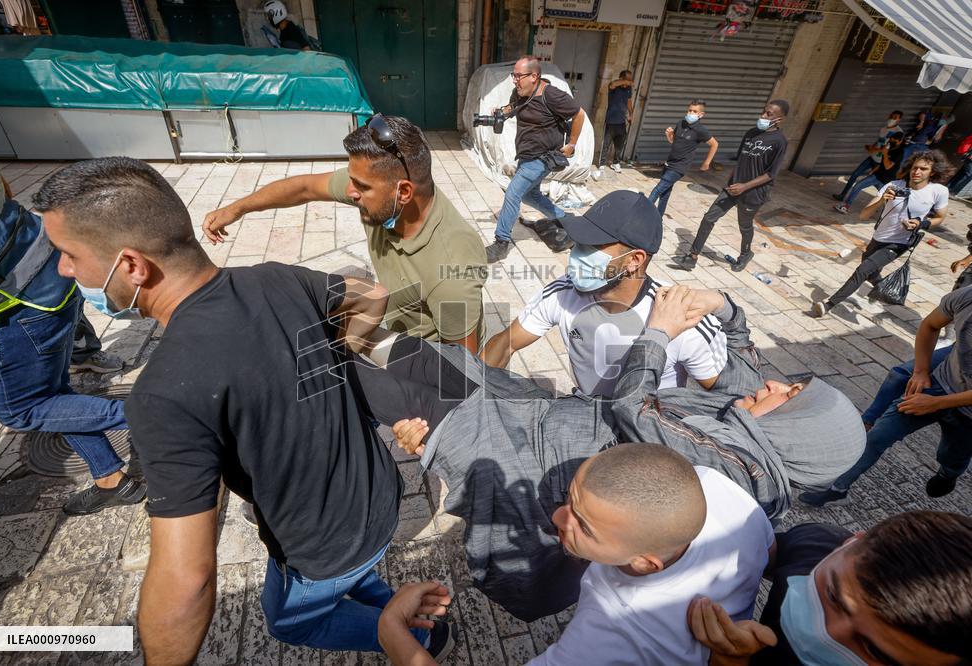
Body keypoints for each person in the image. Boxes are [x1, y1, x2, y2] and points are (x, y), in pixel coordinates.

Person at [34, 157, 455, 661]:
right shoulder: (275, 279)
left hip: (322, 545)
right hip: (380, 494)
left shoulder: (162, 394)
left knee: (289, 619)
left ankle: (417, 637)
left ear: (131, 265)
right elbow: (371, 293)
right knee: (352, 579)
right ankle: (391, 609)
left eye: (69, 254)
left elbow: (187, 580)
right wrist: (338, 361)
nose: (63, 269)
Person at [360, 286, 864, 621]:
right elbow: (744, 350)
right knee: (422, 359)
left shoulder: (738, 472)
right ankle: (345, 336)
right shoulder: (746, 419)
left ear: (798, 435)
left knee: (398, 394)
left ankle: (326, 354)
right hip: (529, 412)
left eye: (790, 396)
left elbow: (634, 408)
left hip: (515, 450)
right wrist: (724, 305)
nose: (774, 384)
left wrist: (658, 333)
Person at [203, 114, 486, 353]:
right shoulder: (383, 192)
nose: (350, 192)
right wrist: (236, 209)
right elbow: (304, 188)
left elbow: (464, 369)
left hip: (425, 356)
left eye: (361, 187)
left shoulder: (451, 270)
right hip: (397, 321)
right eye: (352, 180)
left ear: (403, 193)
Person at [0, 126, 142, 515]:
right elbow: (2, 186)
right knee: (54, 393)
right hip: (46, 265)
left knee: (23, 408)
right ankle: (111, 479)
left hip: (8, 307)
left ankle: (166, 415)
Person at [529, 444, 773, 665]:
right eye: (569, 497)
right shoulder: (714, 484)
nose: (557, 517)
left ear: (645, 563)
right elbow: (770, 552)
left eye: (583, 527)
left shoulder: (612, 629)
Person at [482, 190, 728, 395]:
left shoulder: (683, 317)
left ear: (634, 260)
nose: (576, 254)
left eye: (593, 245)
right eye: (579, 242)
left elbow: (726, 394)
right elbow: (505, 344)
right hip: (585, 415)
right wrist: (471, 393)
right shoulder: (563, 292)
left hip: (648, 432)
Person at [688, 510, 972, 666]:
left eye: (874, 650)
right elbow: (760, 555)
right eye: (834, 596)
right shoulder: (815, 544)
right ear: (850, 542)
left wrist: (730, 660)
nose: (825, 633)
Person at [801, 286, 972, 506]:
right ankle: (838, 488)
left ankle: (948, 474)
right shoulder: (966, 296)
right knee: (878, 435)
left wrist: (937, 403)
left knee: (951, 456)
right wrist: (921, 371)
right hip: (940, 381)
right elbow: (930, 325)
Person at [812, 150, 952, 317]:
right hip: (878, 238)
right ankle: (886, 290)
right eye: (915, 167)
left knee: (862, 270)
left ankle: (829, 304)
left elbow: (940, 217)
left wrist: (922, 223)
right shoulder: (893, 185)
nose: (917, 172)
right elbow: (864, 215)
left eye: (923, 169)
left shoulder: (938, 191)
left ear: (932, 172)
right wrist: (881, 200)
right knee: (871, 273)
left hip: (899, 243)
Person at [485, 55, 587, 263]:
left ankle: (501, 242)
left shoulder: (552, 95)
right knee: (530, 196)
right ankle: (565, 218)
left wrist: (572, 144)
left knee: (513, 193)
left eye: (518, 76)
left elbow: (579, 114)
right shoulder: (520, 92)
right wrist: (501, 112)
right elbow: (513, 107)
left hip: (542, 158)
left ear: (534, 76)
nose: (515, 80)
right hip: (526, 155)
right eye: (513, 75)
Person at [674, 100, 789, 273]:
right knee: (709, 218)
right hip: (732, 187)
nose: (763, 116)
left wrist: (745, 186)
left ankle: (745, 254)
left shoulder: (780, 141)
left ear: (779, 119)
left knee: (744, 225)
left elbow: (771, 174)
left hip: (753, 193)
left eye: (769, 114)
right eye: (763, 111)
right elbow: (741, 159)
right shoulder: (751, 133)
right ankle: (692, 256)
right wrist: (733, 180)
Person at [647, 99, 719, 216]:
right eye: (689, 110)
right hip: (669, 163)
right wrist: (669, 135)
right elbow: (674, 141)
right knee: (665, 193)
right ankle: (658, 218)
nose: (691, 113)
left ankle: (641, 213)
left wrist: (707, 163)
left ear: (701, 115)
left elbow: (714, 144)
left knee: (657, 190)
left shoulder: (701, 130)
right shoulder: (681, 123)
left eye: (694, 111)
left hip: (680, 167)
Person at [833, 110, 903, 202]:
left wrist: (875, 149)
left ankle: (890, 200)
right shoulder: (884, 128)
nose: (892, 119)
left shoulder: (898, 133)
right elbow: (879, 141)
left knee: (877, 183)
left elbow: (888, 149)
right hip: (872, 158)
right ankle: (842, 195)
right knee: (855, 174)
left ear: (899, 120)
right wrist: (872, 147)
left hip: (880, 162)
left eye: (895, 117)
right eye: (892, 116)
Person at [832, 128, 904, 214]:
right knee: (858, 186)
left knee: (887, 199)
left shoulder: (899, 152)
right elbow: (882, 163)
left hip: (887, 181)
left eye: (894, 141)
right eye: (891, 140)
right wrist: (874, 170)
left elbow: (888, 166)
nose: (891, 142)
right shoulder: (889, 146)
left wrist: (885, 153)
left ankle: (891, 214)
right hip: (877, 176)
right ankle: (846, 207)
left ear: (900, 141)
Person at [597, 70, 633, 174]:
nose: (629, 81)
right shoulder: (614, 86)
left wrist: (631, 114)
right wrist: (626, 81)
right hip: (611, 121)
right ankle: (602, 164)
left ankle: (615, 163)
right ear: (621, 78)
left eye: (630, 79)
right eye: (627, 78)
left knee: (619, 144)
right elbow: (613, 84)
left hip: (621, 121)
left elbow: (629, 101)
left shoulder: (628, 89)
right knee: (606, 144)